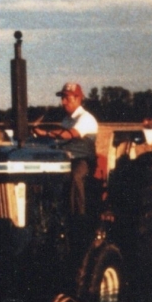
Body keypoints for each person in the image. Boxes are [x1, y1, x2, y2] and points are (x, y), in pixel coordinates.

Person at [33, 82, 98, 215]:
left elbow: (70, 134)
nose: (63, 102)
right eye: (62, 98)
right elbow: (59, 138)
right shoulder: (66, 120)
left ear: (78, 98)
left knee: (75, 175)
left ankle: (78, 216)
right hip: (66, 159)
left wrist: (45, 133)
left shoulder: (86, 118)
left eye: (67, 98)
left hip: (82, 160)